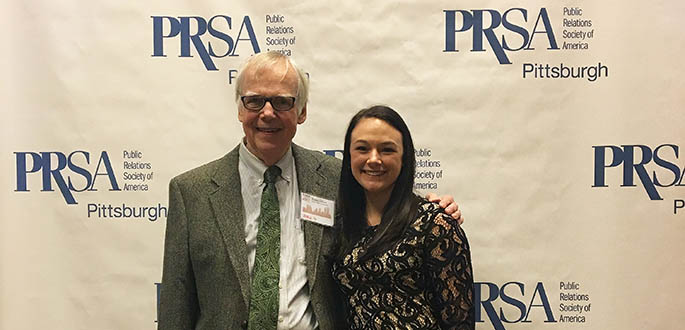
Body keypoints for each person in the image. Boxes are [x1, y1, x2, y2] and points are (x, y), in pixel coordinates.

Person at [158, 51, 463, 330]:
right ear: (240, 109)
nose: (267, 113)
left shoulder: (336, 179)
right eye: (254, 100)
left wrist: (436, 209)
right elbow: (176, 302)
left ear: (301, 112)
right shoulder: (191, 192)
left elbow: (387, 207)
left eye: (282, 101)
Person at [332, 105, 475, 330]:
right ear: (348, 154)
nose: (374, 159)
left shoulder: (434, 224)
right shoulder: (341, 225)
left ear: (404, 158)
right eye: (362, 148)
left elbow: (459, 322)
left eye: (387, 150)